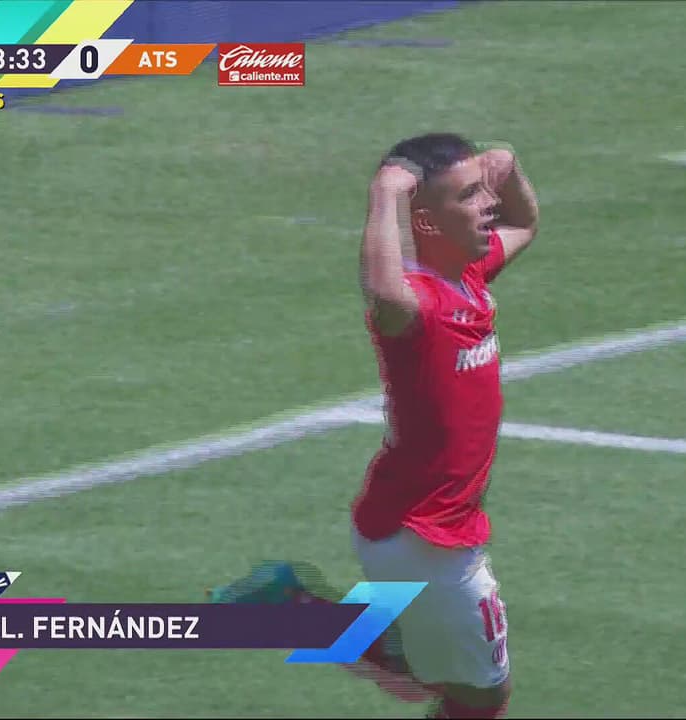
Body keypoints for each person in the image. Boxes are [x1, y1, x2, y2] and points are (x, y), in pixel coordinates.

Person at [210, 132, 538, 719]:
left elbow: (524, 223)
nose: (488, 203)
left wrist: (507, 168)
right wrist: (385, 193)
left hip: (414, 520)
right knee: (479, 699)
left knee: (420, 667)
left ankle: (290, 608)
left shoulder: (468, 275)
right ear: (428, 222)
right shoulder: (417, 307)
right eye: (469, 195)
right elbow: (382, 287)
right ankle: (290, 611)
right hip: (427, 539)